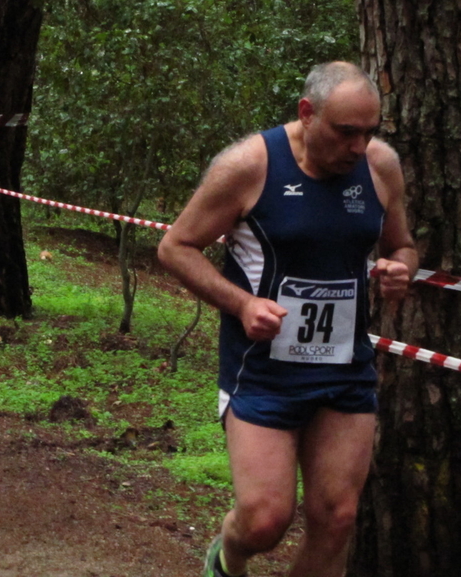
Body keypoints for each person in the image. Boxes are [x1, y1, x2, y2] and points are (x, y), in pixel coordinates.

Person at [158, 61, 418, 577]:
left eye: (369, 132)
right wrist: (242, 304)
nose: (358, 147)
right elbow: (175, 247)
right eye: (346, 132)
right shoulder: (250, 165)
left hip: (345, 369)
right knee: (264, 521)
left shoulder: (380, 167)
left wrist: (399, 270)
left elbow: (403, 246)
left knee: (337, 515)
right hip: (263, 371)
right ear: (307, 112)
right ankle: (226, 558)